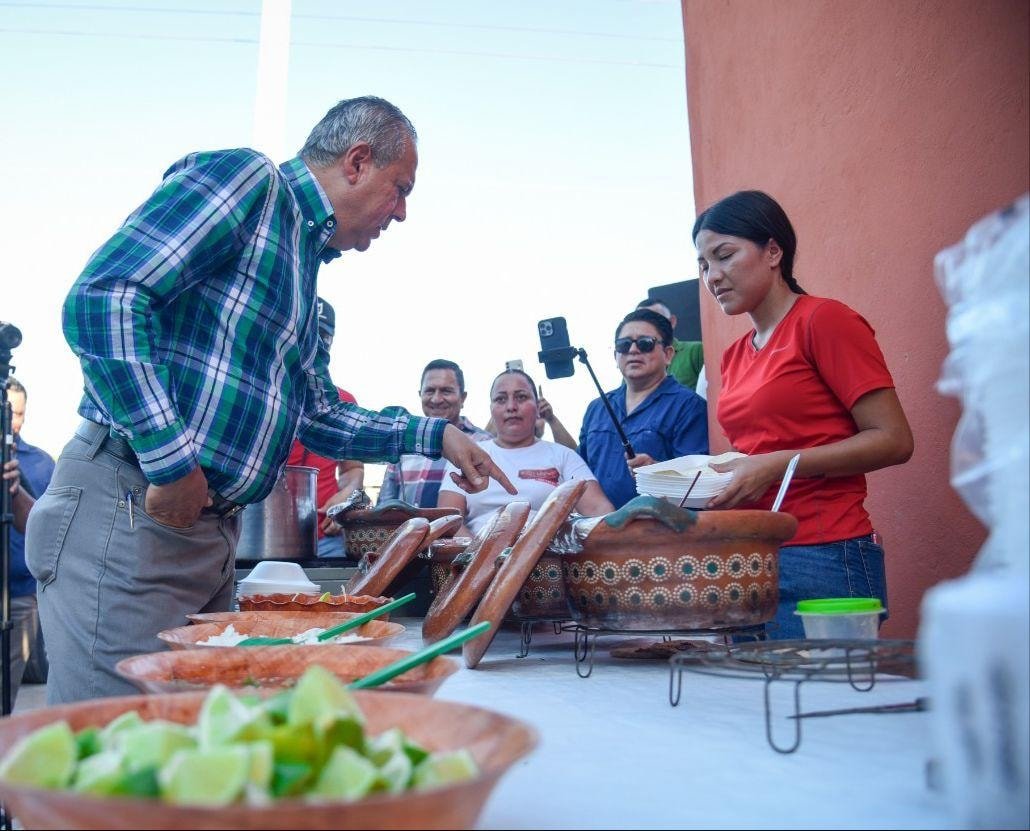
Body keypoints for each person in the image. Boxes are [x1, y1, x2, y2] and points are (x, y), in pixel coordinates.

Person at [27, 95, 514, 704]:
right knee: (113, 751)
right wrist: (171, 461)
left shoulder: (307, 285)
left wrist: (433, 434)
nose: (403, 212)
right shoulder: (251, 183)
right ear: (358, 161)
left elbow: (318, 414)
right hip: (131, 509)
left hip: (203, 537)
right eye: (400, 188)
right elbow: (104, 298)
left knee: (191, 753)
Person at [693, 189, 914, 639]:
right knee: (755, 705)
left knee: (823, 704)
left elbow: (894, 439)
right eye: (702, 265)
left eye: (724, 255)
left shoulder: (824, 321)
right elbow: (758, 448)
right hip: (752, 555)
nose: (712, 276)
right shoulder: (735, 354)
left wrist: (778, 464)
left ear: (773, 251)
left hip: (825, 553)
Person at [439, 369, 613, 537]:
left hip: (550, 560)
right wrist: (476, 556)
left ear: (538, 407)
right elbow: (448, 520)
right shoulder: (469, 455)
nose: (511, 407)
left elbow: (599, 511)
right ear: (491, 409)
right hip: (473, 561)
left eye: (521, 397)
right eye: (500, 399)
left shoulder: (564, 456)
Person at [578, 309, 709, 509]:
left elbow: (700, 485)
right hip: (599, 531)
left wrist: (658, 473)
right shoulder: (596, 408)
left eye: (645, 343)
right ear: (615, 355)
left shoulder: (689, 406)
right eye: (624, 345)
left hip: (662, 533)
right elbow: (580, 472)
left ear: (668, 354)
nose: (633, 350)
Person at [284, 298, 364, 557]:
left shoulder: (344, 401)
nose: (317, 342)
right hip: (261, 534)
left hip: (326, 536)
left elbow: (353, 469)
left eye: (324, 335)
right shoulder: (262, 397)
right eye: (307, 333)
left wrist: (347, 497)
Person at [3, 378, 55, 705]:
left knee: (5, 694)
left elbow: (51, 530)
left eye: (17, 414)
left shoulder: (41, 463)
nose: (11, 422)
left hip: (21, 597)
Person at [379, 359, 491, 508]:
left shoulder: (484, 443)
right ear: (420, 394)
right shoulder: (402, 444)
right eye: (430, 391)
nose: (436, 399)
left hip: (462, 531)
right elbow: (384, 505)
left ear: (463, 397)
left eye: (446, 391)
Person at [636, 298, 705, 391]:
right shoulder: (635, 359)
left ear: (672, 322)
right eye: (641, 322)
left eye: (655, 320)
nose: (648, 326)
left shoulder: (696, 351)